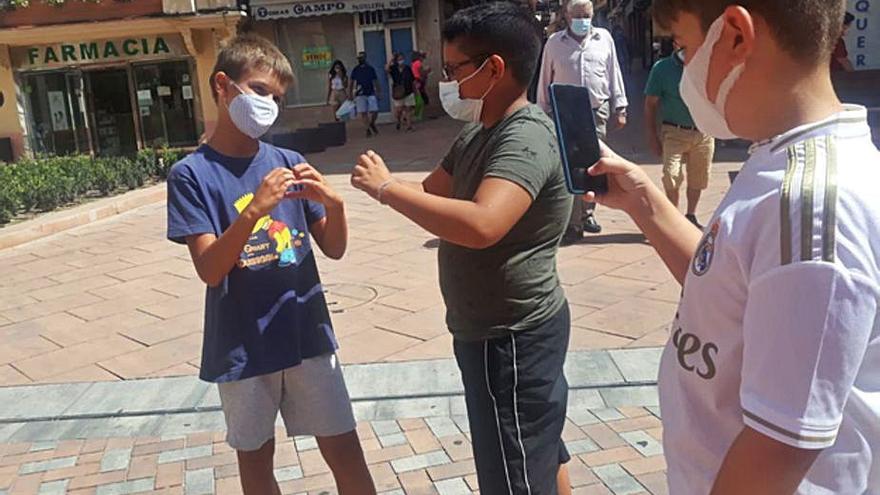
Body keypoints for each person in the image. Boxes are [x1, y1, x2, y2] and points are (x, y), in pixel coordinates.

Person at [586, 1, 880, 493]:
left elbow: (778, 448)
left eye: (682, 46)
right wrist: (647, 205)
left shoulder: (809, 210)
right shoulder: (780, 162)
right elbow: (726, 287)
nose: (681, 68)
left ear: (737, 36)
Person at [351, 3, 574, 493]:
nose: (446, 81)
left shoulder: (526, 137)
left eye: (454, 70)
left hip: (512, 337)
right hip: (485, 331)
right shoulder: (478, 130)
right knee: (538, 451)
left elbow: (482, 225)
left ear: (494, 68)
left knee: (515, 472)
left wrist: (386, 189)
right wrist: (391, 189)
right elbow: (433, 191)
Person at [165, 34, 375, 495]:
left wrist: (335, 204)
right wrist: (253, 211)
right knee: (257, 462)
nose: (268, 104)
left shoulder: (289, 161)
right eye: (259, 91)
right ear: (223, 86)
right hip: (242, 346)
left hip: (307, 333)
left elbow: (333, 249)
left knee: (345, 450)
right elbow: (210, 268)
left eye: (277, 98)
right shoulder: (191, 175)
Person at [537, 0, 628, 242]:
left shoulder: (604, 38)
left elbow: (613, 71)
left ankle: (588, 213)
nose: (582, 18)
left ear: (592, 13)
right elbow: (545, 77)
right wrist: (542, 111)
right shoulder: (554, 44)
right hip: (565, 112)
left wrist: (621, 106)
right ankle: (572, 223)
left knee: (593, 165)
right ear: (566, 16)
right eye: (576, 14)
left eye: (585, 14)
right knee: (570, 166)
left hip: (597, 111)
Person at [644, 39, 715, 229]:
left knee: (698, 177)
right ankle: (673, 216)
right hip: (673, 132)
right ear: (675, 43)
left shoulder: (707, 64)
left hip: (703, 133)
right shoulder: (662, 69)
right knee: (670, 175)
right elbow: (651, 104)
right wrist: (652, 136)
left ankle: (690, 215)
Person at [350, 52, 382, 137]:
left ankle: (372, 123)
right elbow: (352, 81)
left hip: (370, 92)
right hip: (360, 94)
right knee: (363, 112)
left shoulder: (370, 69)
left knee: (375, 110)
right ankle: (367, 129)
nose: (360, 60)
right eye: (359, 58)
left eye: (362, 58)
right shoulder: (356, 69)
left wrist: (378, 92)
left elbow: (375, 81)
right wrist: (350, 93)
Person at [386, 52, 416, 132]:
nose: (401, 60)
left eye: (402, 59)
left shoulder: (407, 68)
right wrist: (391, 60)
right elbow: (387, 69)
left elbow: (412, 80)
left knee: (408, 109)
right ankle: (399, 120)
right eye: (399, 59)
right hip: (398, 91)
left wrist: (415, 91)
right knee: (399, 110)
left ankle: (409, 126)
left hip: (408, 90)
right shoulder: (394, 68)